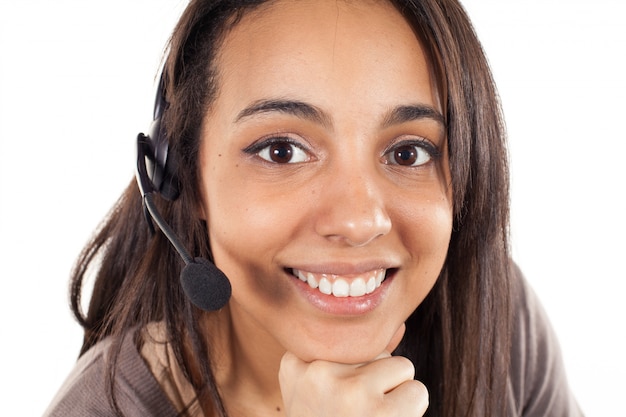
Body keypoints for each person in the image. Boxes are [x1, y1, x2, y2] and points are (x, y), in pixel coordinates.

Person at [43, 0, 583, 416]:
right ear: (185, 174)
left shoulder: (495, 316)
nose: (357, 220)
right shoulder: (105, 406)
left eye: (408, 152)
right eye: (282, 151)